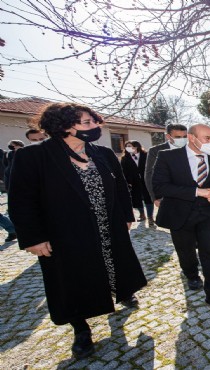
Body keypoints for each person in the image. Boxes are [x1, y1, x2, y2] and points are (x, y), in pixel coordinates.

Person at [7, 102, 147, 359]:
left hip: (108, 227)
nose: (95, 127)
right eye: (87, 123)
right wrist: (34, 238)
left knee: (116, 265)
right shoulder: (33, 157)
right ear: (63, 126)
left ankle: (123, 292)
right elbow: (21, 201)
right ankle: (80, 328)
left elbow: (120, 190)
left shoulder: (103, 154)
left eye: (95, 121)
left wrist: (127, 216)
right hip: (65, 235)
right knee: (71, 280)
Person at [152, 123, 210, 310]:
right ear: (191, 138)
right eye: (207, 138)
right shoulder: (168, 157)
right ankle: (191, 275)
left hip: (209, 214)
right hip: (179, 214)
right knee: (185, 250)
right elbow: (160, 187)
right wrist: (197, 192)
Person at [145, 123, 188, 207]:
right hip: (167, 196)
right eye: (178, 137)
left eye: (185, 136)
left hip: (190, 195)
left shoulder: (192, 149)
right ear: (168, 136)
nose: (182, 139)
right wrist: (155, 197)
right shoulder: (155, 151)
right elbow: (150, 175)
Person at [120, 140, 154, 225]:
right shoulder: (124, 158)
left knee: (148, 199)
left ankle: (150, 217)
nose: (128, 148)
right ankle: (142, 215)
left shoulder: (146, 155)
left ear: (136, 146)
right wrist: (128, 182)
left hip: (146, 180)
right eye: (127, 146)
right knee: (136, 199)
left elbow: (152, 168)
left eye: (130, 146)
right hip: (133, 182)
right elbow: (124, 171)